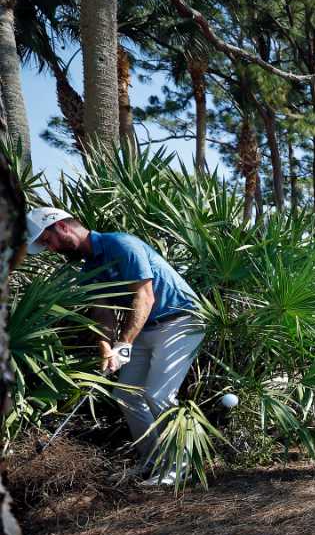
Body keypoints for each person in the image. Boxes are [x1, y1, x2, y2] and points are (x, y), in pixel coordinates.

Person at [25, 207, 205, 486]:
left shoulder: (120, 244)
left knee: (157, 395)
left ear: (61, 227)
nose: (48, 248)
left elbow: (145, 297)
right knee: (125, 394)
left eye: (47, 240)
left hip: (181, 320)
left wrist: (124, 343)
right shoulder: (87, 270)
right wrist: (107, 349)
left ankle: (179, 468)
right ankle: (152, 463)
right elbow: (102, 314)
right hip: (146, 328)